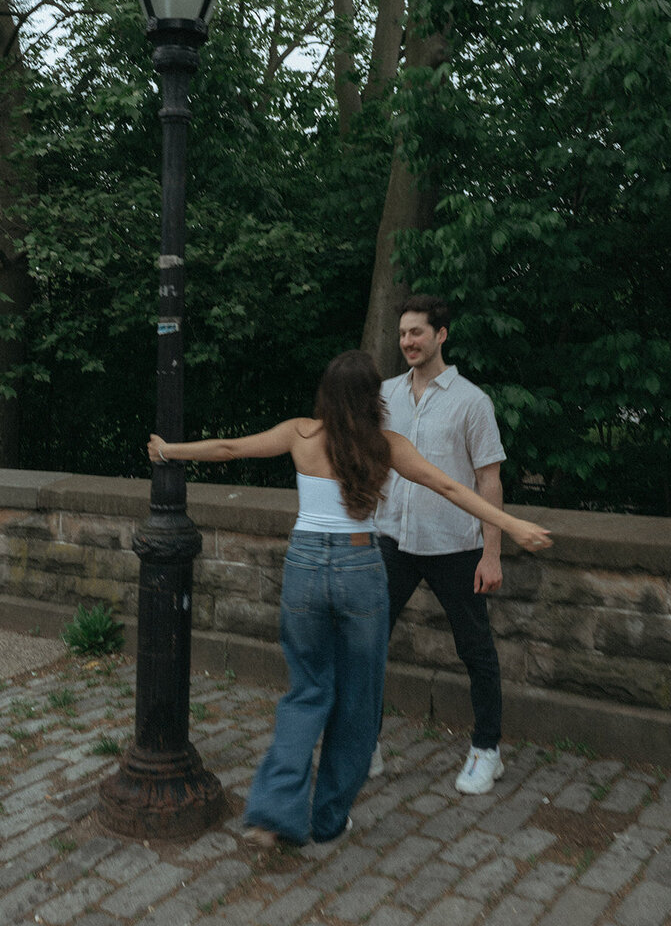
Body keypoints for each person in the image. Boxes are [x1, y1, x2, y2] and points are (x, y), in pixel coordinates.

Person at [147, 350, 551, 847]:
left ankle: (273, 813)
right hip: (361, 568)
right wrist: (513, 526)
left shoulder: (300, 434)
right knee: (359, 700)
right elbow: (450, 485)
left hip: (304, 568)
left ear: (327, 395)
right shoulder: (387, 445)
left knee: (307, 691)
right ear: (373, 397)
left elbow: (230, 448)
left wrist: (169, 450)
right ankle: (328, 820)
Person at [372, 294, 514, 794]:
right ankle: (365, 740)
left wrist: (491, 552)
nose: (408, 341)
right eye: (403, 333)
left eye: (417, 332)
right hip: (392, 539)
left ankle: (486, 750)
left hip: (455, 545)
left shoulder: (471, 401)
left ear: (441, 335)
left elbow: (488, 479)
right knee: (367, 643)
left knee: (475, 649)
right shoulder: (385, 394)